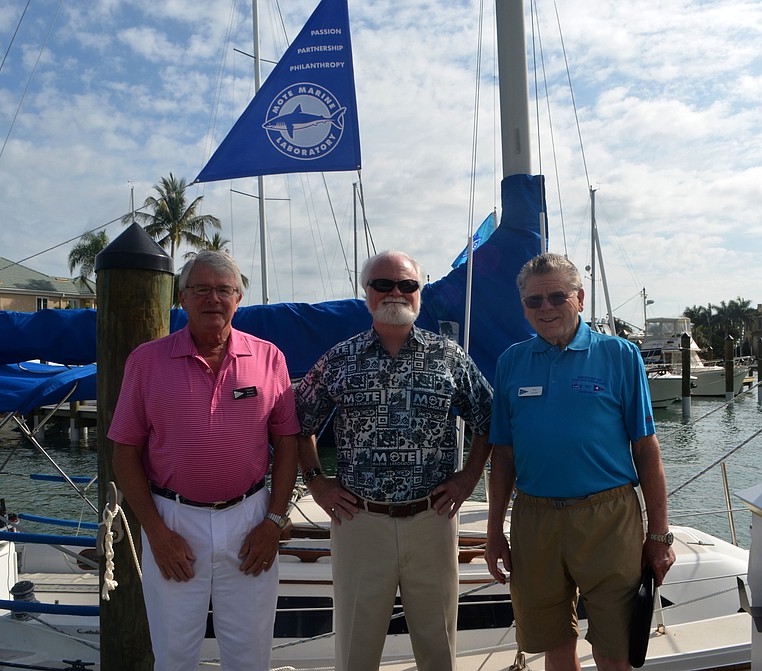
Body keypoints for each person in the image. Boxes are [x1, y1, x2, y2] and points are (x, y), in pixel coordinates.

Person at [294, 250, 494, 671]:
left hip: (432, 520)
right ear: (366, 292)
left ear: (420, 292)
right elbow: (297, 423)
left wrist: (468, 478)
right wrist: (317, 481)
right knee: (355, 652)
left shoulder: (449, 357)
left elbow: (489, 419)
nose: (396, 293)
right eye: (383, 284)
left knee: (438, 649)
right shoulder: (339, 359)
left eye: (407, 285)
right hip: (359, 522)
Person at [108, 250, 299, 671]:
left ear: (238, 298)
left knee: (250, 658)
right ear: (182, 297)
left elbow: (288, 442)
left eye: (223, 290)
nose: (213, 298)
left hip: (251, 519)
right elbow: (124, 452)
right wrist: (155, 531)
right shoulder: (145, 361)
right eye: (201, 289)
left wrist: (274, 521)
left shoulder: (270, 359)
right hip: (172, 518)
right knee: (174, 657)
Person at [485, 252, 676, 671]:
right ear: (524, 307)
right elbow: (503, 456)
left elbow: (647, 451)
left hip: (608, 518)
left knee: (615, 645)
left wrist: (659, 535)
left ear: (580, 298)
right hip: (534, 518)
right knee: (553, 642)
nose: (546, 308)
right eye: (534, 301)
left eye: (557, 296)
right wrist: (494, 529)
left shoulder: (621, 355)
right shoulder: (511, 362)